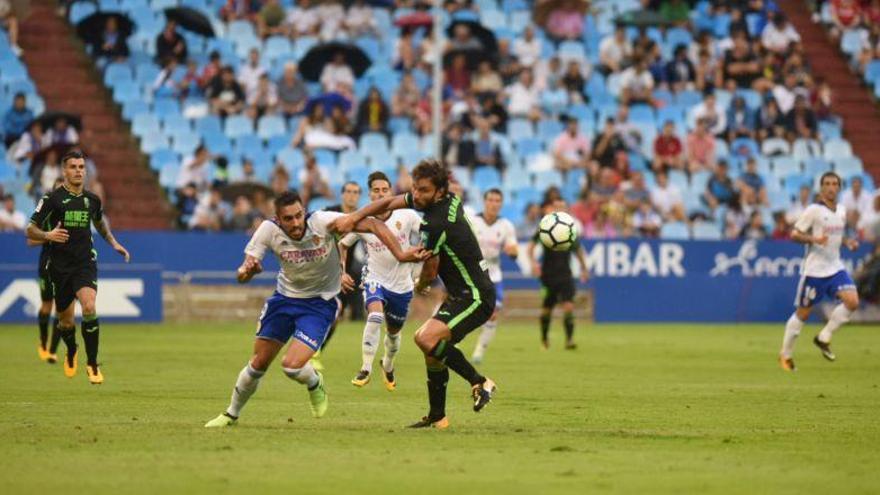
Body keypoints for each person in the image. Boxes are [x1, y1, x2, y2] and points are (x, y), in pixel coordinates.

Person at [204, 190, 426, 427]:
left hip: (319, 304)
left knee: (291, 366)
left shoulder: (322, 222)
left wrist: (401, 254)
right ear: (278, 220)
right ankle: (231, 414)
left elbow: (372, 224)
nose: (296, 222)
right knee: (258, 363)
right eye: (288, 219)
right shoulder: (268, 230)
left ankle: (314, 382)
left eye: (299, 215)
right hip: (283, 300)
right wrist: (246, 271)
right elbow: (243, 272)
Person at [333, 159, 499, 429]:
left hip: (476, 297)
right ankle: (437, 415)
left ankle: (479, 382)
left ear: (439, 190)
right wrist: (354, 217)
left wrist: (421, 284)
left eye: (422, 190)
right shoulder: (441, 200)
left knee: (425, 338)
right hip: (462, 294)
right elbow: (387, 203)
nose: (416, 195)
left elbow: (431, 268)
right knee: (433, 350)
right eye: (414, 189)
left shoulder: (436, 223)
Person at [25, 150, 131, 384]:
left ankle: (92, 363)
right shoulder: (52, 199)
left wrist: (114, 243)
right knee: (65, 322)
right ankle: (71, 350)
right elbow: (30, 229)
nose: (78, 171)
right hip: (60, 267)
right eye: (73, 167)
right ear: (64, 171)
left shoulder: (92, 200)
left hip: (85, 262)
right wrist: (48, 234)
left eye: (81, 167)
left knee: (89, 306)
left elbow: (99, 222)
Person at [340, 172, 421, 389]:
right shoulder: (363, 220)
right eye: (376, 190)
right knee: (375, 316)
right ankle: (365, 367)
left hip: (402, 284)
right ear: (370, 194)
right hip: (375, 278)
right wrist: (342, 271)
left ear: (391, 192)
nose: (381, 193)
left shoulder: (407, 215)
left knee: (394, 334)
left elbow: (427, 236)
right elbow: (343, 244)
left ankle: (388, 364)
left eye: (385, 190)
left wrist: (421, 269)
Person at [779, 172, 860, 371]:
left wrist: (847, 242)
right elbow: (795, 234)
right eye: (827, 184)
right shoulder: (814, 210)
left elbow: (836, 237)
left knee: (852, 301)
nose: (831, 187)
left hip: (835, 267)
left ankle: (824, 337)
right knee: (802, 314)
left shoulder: (841, 211)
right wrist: (814, 240)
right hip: (814, 271)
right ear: (822, 188)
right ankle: (785, 355)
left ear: (839, 187)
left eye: (834, 184)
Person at [527, 197, 589, 350]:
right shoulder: (545, 226)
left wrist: (584, 268)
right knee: (547, 310)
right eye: (557, 206)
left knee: (568, 306)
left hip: (565, 274)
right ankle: (544, 340)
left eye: (562, 206)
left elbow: (578, 250)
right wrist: (534, 263)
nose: (560, 209)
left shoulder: (569, 228)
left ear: (566, 209)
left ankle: (569, 340)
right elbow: (530, 247)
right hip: (548, 275)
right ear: (552, 209)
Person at [469, 189, 518, 364]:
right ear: (484, 202)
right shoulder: (473, 221)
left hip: (494, 276)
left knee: (493, 313)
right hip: (472, 273)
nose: (494, 203)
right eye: (491, 199)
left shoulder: (506, 226)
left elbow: (514, 252)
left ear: (501, 204)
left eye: (498, 200)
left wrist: (512, 251)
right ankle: (453, 341)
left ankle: (479, 351)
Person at [27, 179, 63, 363]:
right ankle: (43, 341)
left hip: (65, 266)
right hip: (46, 264)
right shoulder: (45, 214)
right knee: (47, 306)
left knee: (61, 309)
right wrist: (49, 237)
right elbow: (30, 241)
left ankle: (53, 350)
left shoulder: (72, 214)